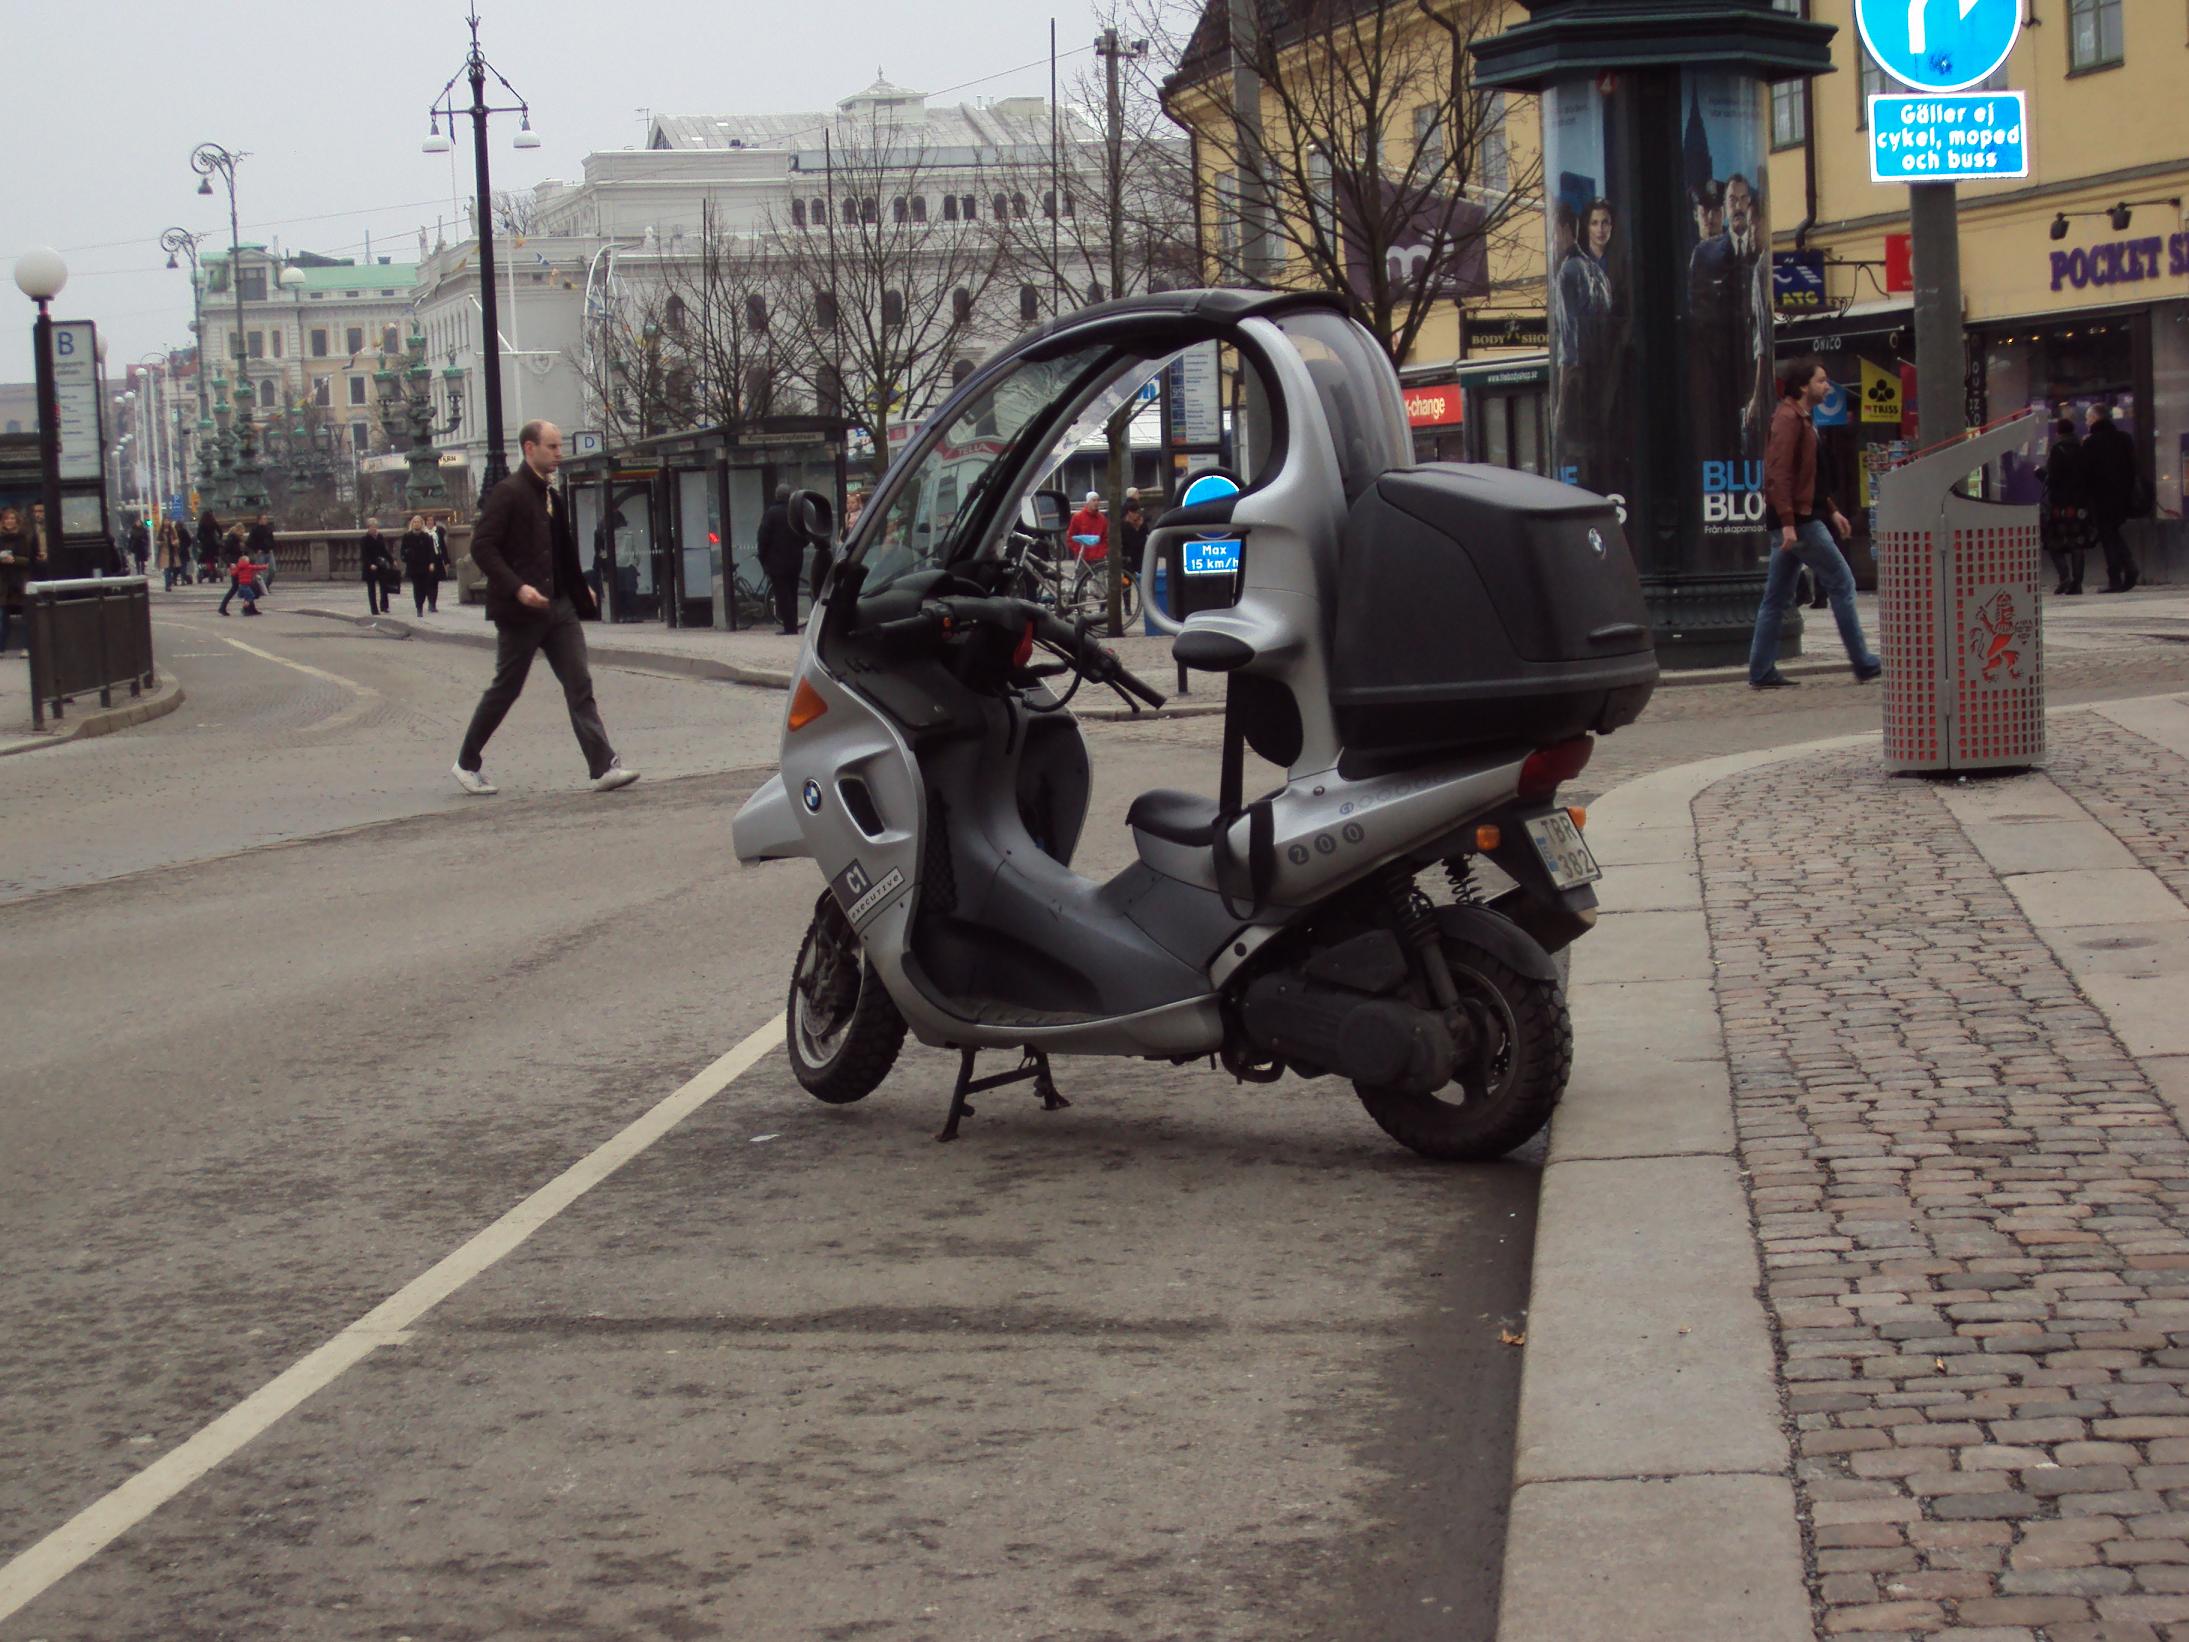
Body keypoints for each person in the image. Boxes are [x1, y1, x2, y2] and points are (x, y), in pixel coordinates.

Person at [452, 419, 638, 796]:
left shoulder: (551, 496)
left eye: (559, 447)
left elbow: (562, 550)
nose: (559, 455)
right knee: (506, 688)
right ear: (529, 449)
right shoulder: (508, 493)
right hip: (520, 612)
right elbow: (482, 548)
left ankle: (603, 766)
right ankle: (466, 763)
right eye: (552, 447)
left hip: (559, 607)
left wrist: (582, 586)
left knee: (579, 682)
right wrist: (517, 588)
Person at [1749, 356, 1882, 690]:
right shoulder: (1788, 419)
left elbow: (1812, 478)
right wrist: (1789, 523)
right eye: (1822, 380)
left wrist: (1833, 509)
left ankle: (1761, 670)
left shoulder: (1803, 419)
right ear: (1804, 385)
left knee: (1776, 597)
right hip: (1801, 522)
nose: (1827, 386)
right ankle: (1864, 663)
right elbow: (1778, 473)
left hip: (1802, 518)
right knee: (1842, 583)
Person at [2083, 404, 2140, 593]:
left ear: (2095, 419)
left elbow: (2087, 473)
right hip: (2122, 496)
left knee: (2108, 536)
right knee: (2112, 533)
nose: (2086, 422)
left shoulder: (2091, 442)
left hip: (2101, 498)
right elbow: (2132, 467)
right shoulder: (2124, 439)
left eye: (2087, 418)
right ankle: (2129, 568)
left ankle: (2116, 577)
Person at [2039, 417, 2091, 596]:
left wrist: (2040, 474)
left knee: (2053, 543)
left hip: (2060, 504)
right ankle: (2077, 582)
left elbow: (2052, 477)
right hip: (2079, 504)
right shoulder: (2082, 449)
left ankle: (2064, 577)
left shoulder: (2056, 450)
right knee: (2077, 544)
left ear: (2058, 432)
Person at [757, 483, 802, 634]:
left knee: (782, 595)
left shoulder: (771, 513)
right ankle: (793, 625)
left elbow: (763, 537)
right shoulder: (795, 512)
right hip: (795, 560)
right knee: (793, 592)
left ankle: (789, 627)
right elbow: (806, 534)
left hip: (776, 561)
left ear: (776, 496)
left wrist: (763, 558)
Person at [0, 505, 46, 655]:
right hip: (3, 583)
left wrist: (14, 559)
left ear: (17, 521)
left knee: (26, 616)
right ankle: (1, 647)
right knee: (2, 617)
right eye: (6, 518)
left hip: (21, 581)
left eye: (12, 518)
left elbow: (31, 560)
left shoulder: (27, 537)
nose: (9, 521)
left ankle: (27, 647)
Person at [402, 514, 445, 614]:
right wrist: (406, 556)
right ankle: (419, 607)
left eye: (418, 522)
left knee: (425, 586)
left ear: (421, 524)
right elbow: (403, 551)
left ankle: (423, 602)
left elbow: (431, 551)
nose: (416, 524)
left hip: (424, 565)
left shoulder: (426, 537)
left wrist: (431, 563)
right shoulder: (407, 536)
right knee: (417, 586)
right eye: (415, 522)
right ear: (412, 524)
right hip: (413, 565)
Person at [360, 519, 393, 614]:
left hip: (380, 565)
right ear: (369, 528)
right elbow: (364, 555)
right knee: (371, 589)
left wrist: (391, 560)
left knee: (384, 586)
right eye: (372, 527)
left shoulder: (380, 537)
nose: (374, 529)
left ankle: (384, 606)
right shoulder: (364, 539)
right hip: (370, 566)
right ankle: (374, 609)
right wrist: (370, 564)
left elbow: (384, 550)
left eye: (376, 527)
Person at [1067, 490, 1108, 563]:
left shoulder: (1102, 519)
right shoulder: (1078, 517)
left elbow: (1105, 538)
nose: (1096, 503)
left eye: (1098, 500)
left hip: (1098, 557)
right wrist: (1079, 550)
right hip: (1083, 557)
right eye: (1094, 500)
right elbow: (1071, 536)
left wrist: (1102, 552)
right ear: (1088, 502)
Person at [218, 548, 263, 616]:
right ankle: (246, 608)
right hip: (238, 567)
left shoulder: (237, 542)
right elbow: (223, 553)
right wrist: (230, 563)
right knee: (240, 588)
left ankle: (250, 608)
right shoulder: (232, 541)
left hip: (240, 566)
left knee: (245, 587)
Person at [197, 510, 223, 584]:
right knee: (213, 558)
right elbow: (220, 531)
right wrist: (219, 538)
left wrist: (201, 540)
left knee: (204, 558)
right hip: (213, 543)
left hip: (205, 544)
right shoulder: (214, 522)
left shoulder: (202, 523)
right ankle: (214, 570)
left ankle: (204, 571)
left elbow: (198, 534)